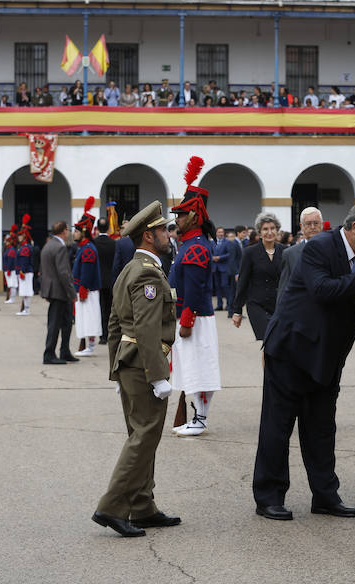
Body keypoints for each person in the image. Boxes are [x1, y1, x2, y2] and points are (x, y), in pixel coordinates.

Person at [252, 202, 355, 521]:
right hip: (291, 350)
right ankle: (268, 496)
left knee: (321, 428)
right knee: (278, 426)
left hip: (326, 356)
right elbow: (322, 289)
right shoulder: (320, 247)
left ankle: (325, 495)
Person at [93, 201, 180, 538]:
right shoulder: (146, 272)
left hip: (130, 365)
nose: (168, 235)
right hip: (145, 366)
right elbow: (144, 329)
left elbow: (115, 325)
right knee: (145, 436)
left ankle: (142, 505)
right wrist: (158, 375)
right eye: (162, 231)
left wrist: (116, 368)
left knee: (141, 436)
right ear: (148, 235)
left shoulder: (129, 269)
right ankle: (111, 507)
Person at [168, 157, 222, 437]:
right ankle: (196, 417)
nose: (176, 219)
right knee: (191, 368)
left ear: (193, 216)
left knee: (199, 369)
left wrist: (186, 319)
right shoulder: (189, 245)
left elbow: (195, 287)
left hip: (195, 318)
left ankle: (200, 419)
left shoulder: (196, 248)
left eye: (180, 214)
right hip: (189, 316)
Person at [232, 212, 285, 341]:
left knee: (279, 343)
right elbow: (243, 281)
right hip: (257, 305)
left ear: (277, 230)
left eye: (272, 228)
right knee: (269, 340)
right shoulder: (250, 252)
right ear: (260, 232)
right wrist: (237, 310)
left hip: (280, 305)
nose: (269, 232)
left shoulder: (285, 251)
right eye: (265, 229)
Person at [40, 221, 78, 365]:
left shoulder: (48, 245)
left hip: (53, 290)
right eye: (67, 230)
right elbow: (63, 273)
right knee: (55, 324)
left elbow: (43, 270)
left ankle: (65, 351)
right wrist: (72, 292)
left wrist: (45, 291)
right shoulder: (60, 247)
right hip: (60, 291)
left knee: (67, 322)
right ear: (63, 231)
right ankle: (49, 354)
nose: (68, 233)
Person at [72, 198, 102, 357]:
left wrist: (83, 288)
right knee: (84, 318)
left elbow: (87, 272)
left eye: (76, 231)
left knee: (89, 318)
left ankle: (89, 346)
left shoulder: (88, 249)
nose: (73, 233)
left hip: (87, 290)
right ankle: (86, 345)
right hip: (83, 289)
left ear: (83, 231)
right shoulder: (83, 248)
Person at [277, 206, 323, 301]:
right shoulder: (289, 253)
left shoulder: (333, 249)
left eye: (316, 223)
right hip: (299, 308)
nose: (313, 227)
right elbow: (284, 288)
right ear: (301, 226)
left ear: (321, 225)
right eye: (308, 224)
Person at [94, 216, 116, 345]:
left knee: (99, 308)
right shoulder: (114, 243)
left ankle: (102, 336)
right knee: (109, 309)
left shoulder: (93, 243)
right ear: (108, 228)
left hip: (97, 280)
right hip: (110, 280)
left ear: (97, 228)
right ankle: (109, 333)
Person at [14, 216, 36, 316]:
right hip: (25, 271)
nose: (18, 237)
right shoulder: (23, 247)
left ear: (24, 236)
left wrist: (22, 271)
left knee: (26, 291)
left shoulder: (25, 248)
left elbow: (25, 261)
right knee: (24, 292)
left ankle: (26, 310)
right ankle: (25, 309)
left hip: (25, 272)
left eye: (20, 235)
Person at [3, 226, 18, 304]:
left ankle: (12, 298)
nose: (5, 242)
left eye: (7, 241)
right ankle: (11, 298)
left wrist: (8, 269)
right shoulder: (8, 249)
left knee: (12, 284)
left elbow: (10, 261)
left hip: (11, 270)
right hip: (8, 269)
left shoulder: (11, 250)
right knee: (10, 284)